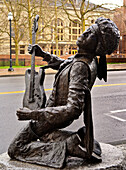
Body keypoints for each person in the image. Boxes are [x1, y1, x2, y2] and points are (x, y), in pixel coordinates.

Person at [8, 17, 120, 168]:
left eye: (90, 35)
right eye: (88, 29)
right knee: (46, 136)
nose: (85, 32)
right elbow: (65, 64)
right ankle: (75, 140)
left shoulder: (81, 67)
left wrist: (33, 114)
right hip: (51, 114)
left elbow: (73, 110)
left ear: (97, 46)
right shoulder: (85, 59)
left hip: (53, 116)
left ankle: (67, 147)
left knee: (16, 148)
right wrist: (44, 55)